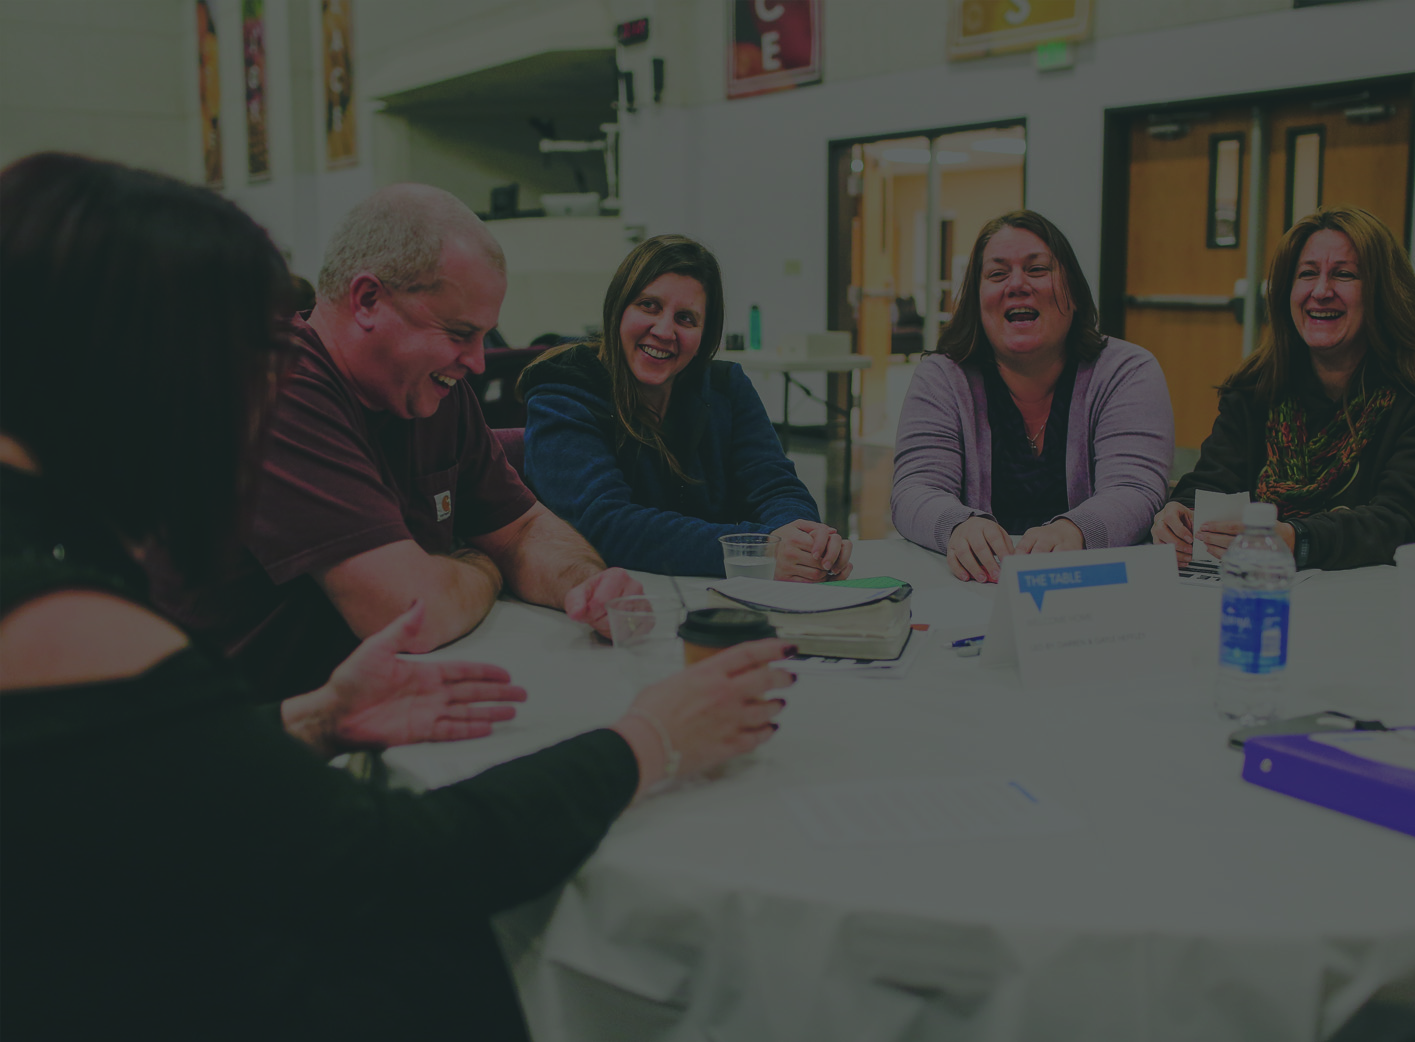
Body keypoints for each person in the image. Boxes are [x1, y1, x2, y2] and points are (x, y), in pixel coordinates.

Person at [0, 152, 791, 1040]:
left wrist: (315, 717)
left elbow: (132, 768)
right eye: (237, 362)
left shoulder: (47, 549)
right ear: (128, 371)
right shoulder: (53, 613)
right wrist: (651, 739)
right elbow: (392, 860)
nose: (254, 403)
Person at [148, 182, 639, 697]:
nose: (476, 362)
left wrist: (585, 584)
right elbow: (406, 612)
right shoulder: (274, 389)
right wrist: (483, 566)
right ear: (367, 300)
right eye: (458, 333)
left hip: (376, 711)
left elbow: (520, 532)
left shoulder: (432, 392)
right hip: (251, 736)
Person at [1151, 206, 1415, 570]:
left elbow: (1404, 524)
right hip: (1255, 592)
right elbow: (1211, 486)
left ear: (1383, 293)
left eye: (1344, 275)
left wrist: (1297, 540)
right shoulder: (1255, 390)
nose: (1321, 290)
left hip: (1375, 604)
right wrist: (1180, 517)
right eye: (1307, 274)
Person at [518, 234, 852, 579]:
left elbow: (775, 486)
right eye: (648, 305)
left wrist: (806, 540)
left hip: (722, 603)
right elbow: (604, 524)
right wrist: (759, 549)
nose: (664, 330)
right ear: (617, 309)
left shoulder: (726, 386)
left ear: (705, 336)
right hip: (612, 604)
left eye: (686, 318)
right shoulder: (562, 391)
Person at [891, 210, 1174, 582]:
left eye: (1037, 270)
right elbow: (914, 488)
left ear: (1072, 290)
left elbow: (1136, 489)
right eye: (996, 273)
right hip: (976, 586)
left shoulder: (1127, 370)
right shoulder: (942, 377)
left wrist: (1076, 531)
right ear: (977, 300)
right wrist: (958, 525)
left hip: (1093, 588)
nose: (1017, 284)